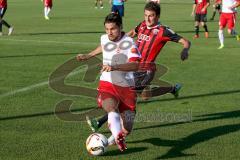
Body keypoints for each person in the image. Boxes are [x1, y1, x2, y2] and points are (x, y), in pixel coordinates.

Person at [86, 2, 191, 133]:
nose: (148, 18)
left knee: (126, 96)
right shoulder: (142, 25)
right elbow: (131, 33)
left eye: (151, 16)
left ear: (157, 16)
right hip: (132, 69)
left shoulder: (164, 30)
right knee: (145, 95)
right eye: (146, 15)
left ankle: (100, 122)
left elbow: (186, 41)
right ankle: (172, 89)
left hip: (145, 70)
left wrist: (185, 50)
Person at [76, 13, 141, 152]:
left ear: (121, 27)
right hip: (107, 83)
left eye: (112, 29)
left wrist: (114, 67)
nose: (109, 32)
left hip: (127, 88)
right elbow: (103, 45)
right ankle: (118, 136)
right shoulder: (105, 37)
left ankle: (114, 139)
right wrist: (89, 55)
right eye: (107, 29)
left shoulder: (129, 42)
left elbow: (135, 65)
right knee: (110, 106)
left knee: (127, 128)